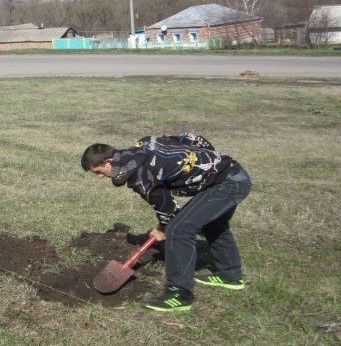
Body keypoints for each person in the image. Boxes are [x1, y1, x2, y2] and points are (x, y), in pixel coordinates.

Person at [81, 133, 251, 312]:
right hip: (230, 171)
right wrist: (208, 161)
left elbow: (167, 209)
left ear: (109, 161)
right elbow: (192, 138)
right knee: (213, 224)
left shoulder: (141, 177)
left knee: (179, 229)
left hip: (228, 184)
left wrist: (162, 228)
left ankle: (179, 293)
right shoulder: (144, 144)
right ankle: (230, 275)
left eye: (98, 171)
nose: (100, 177)